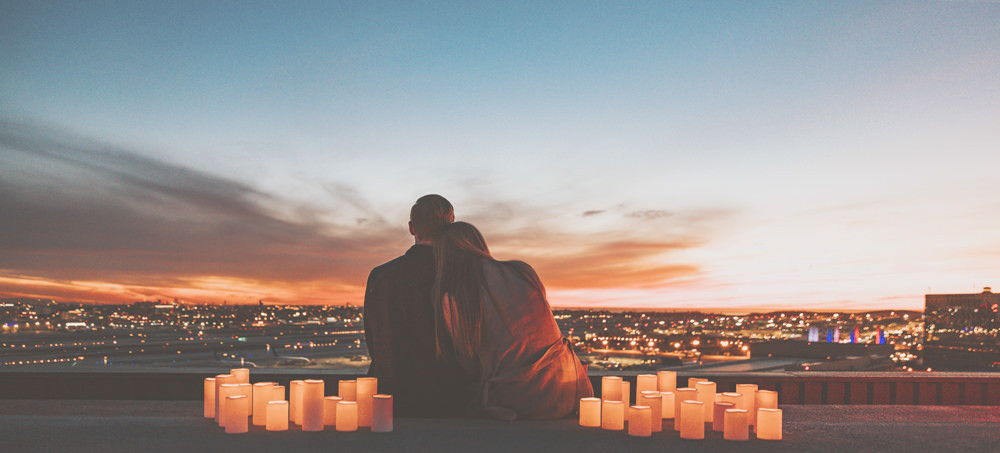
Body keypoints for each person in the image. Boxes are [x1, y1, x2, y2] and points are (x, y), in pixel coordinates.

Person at [432, 221, 594, 420]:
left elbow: (468, 364)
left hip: (519, 401)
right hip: (570, 389)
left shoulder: (455, 298)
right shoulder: (523, 271)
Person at [363, 194, 471, 417]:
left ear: (412, 228)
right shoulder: (461, 275)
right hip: (448, 399)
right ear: (450, 227)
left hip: (391, 397)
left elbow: (375, 344)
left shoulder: (380, 276)